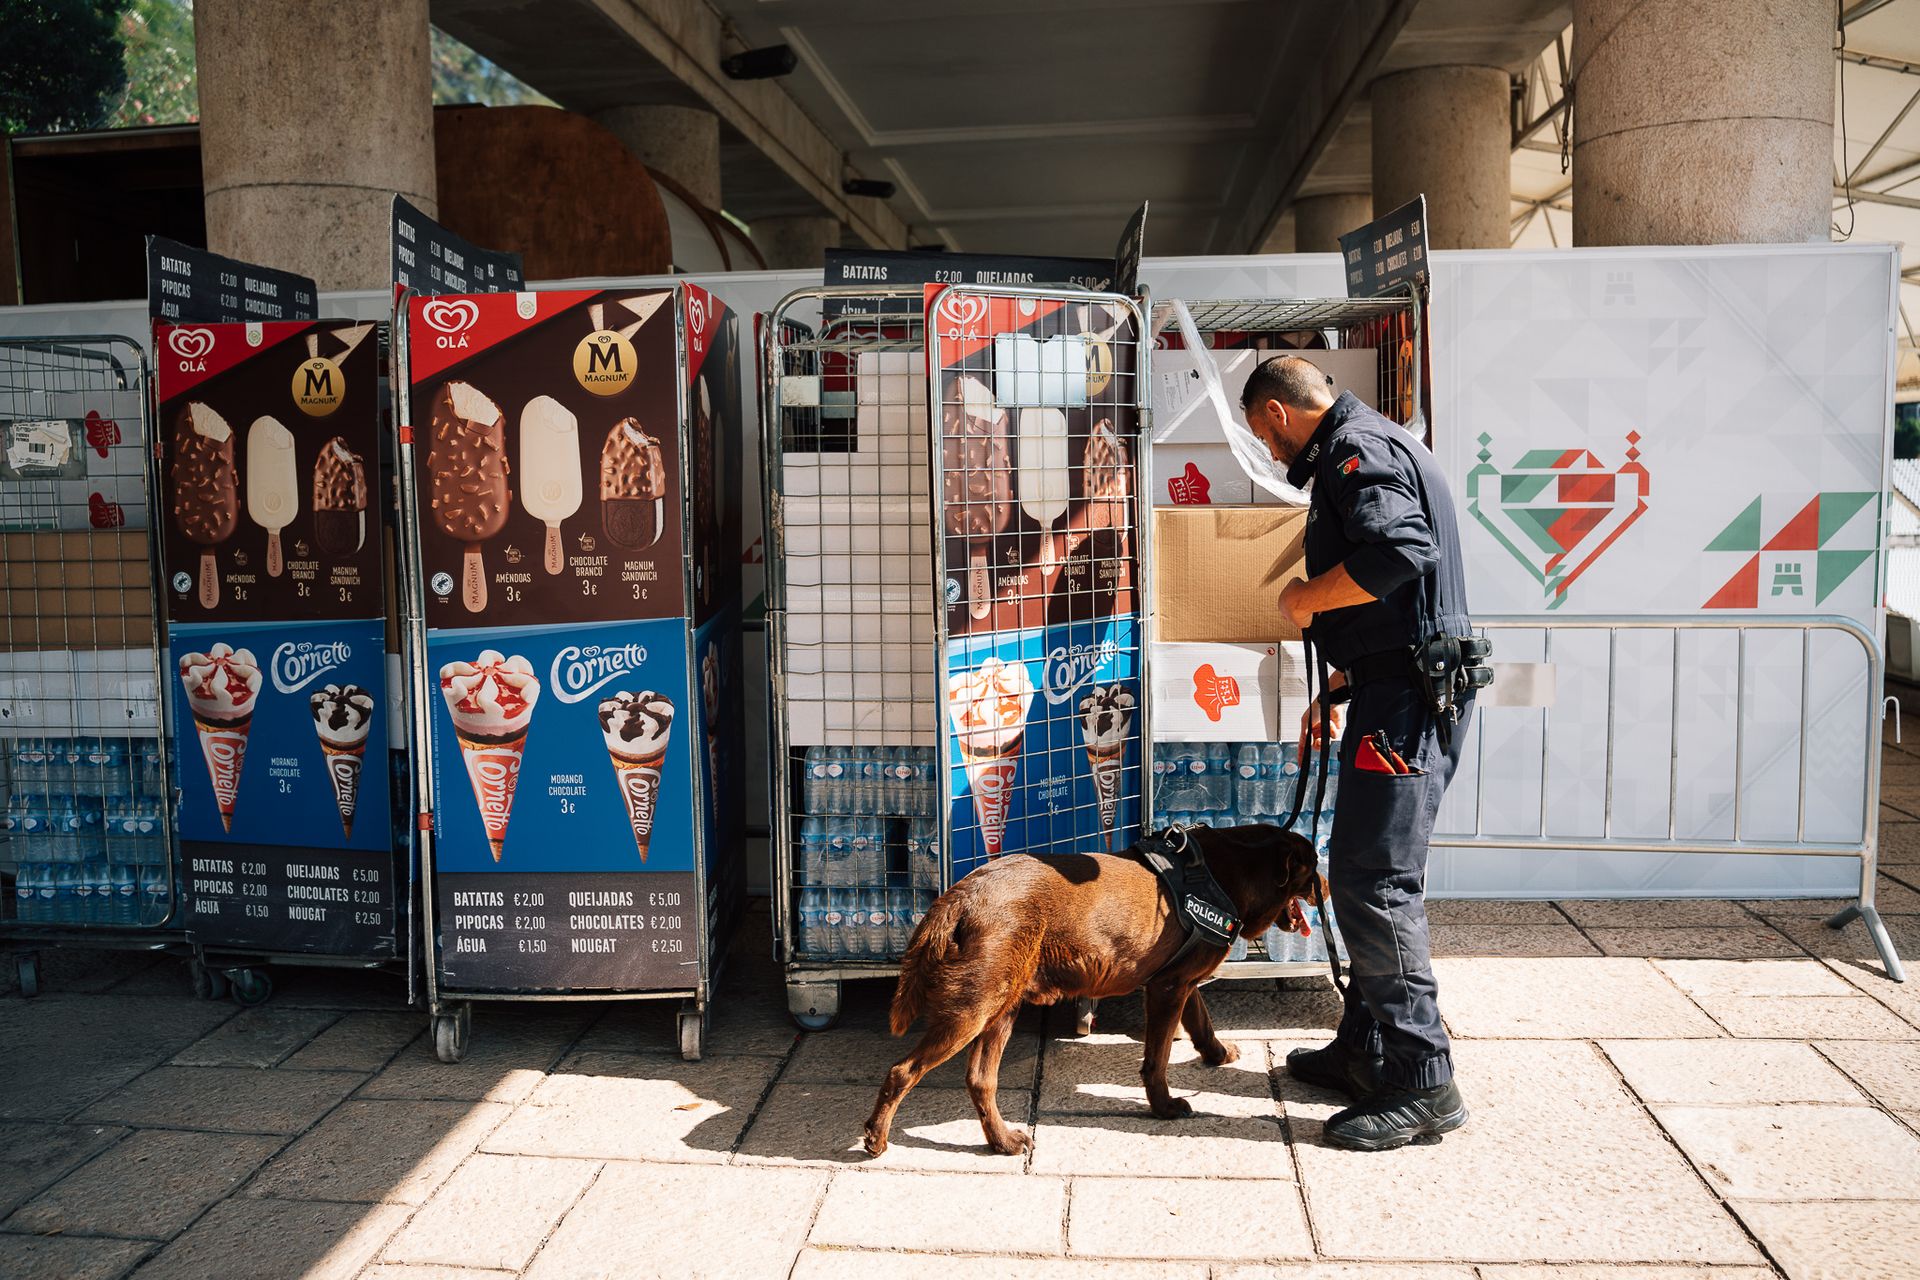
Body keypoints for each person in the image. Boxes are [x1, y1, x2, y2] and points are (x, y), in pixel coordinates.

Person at [1239, 354, 1475, 1152]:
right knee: (1364, 870)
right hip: (1396, 687)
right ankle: (1364, 1046)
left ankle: (1423, 1079)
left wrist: (1305, 598)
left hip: (1409, 702)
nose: (1275, 458)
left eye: (1267, 441)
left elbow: (1399, 550)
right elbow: (1410, 602)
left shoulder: (1353, 452)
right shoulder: (1379, 440)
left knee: (1376, 882)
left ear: (1278, 413)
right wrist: (1342, 681)